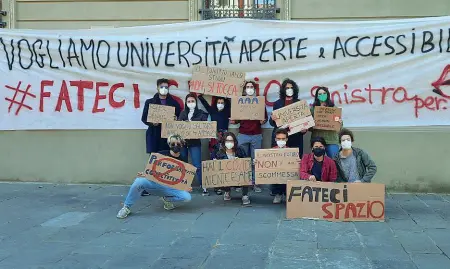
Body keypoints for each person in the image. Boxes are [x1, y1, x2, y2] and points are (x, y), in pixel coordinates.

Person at [116, 134, 191, 219]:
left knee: (187, 197)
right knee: (139, 181)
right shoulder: (160, 155)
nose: (175, 146)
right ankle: (126, 207)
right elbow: (150, 169)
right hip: (156, 184)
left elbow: (183, 178)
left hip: (170, 188)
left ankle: (167, 199)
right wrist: (145, 173)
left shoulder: (183, 159)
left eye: (178, 144)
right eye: (173, 144)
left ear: (182, 145)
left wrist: (186, 186)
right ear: (169, 145)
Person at [230, 81, 268, 193]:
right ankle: (242, 182)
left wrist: (263, 120)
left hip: (256, 135)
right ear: (245, 89)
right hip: (242, 134)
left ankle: (255, 183)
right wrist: (233, 121)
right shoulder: (239, 102)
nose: (250, 88)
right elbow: (236, 119)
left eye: (251, 87)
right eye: (248, 87)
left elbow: (264, 118)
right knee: (242, 160)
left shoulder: (260, 103)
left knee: (255, 160)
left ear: (254, 89)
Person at [178, 93, 209, 196]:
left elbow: (205, 125)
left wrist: (193, 124)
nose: (191, 103)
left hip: (195, 142)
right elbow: (177, 126)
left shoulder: (201, 113)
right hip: (183, 142)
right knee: (183, 164)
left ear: (196, 102)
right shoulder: (182, 113)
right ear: (186, 103)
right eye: (189, 101)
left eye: (192, 101)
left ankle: (203, 185)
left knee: (197, 165)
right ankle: (183, 186)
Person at [141, 78, 181, 154]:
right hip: (154, 135)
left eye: (166, 87)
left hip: (168, 136)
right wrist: (152, 123)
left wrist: (176, 119)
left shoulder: (174, 103)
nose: (164, 89)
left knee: (167, 160)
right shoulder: (150, 102)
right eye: (162, 87)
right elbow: (144, 118)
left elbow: (179, 118)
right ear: (157, 88)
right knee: (154, 161)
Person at [269, 78, 306, 156]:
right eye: (287, 88)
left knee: (295, 161)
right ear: (283, 90)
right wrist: (272, 119)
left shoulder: (300, 103)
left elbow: (304, 122)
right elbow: (272, 123)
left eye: (291, 88)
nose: (289, 90)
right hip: (281, 137)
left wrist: (304, 130)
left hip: (295, 137)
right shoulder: (277, 103)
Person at [214, 132, 251, 206]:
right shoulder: (220, 153)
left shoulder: (240, 150)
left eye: (231, 141)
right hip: (227, 177)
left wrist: (240, 161)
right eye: (227, 141)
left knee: (246, 174)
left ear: (234, 142)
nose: (229, 143)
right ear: (224, 142)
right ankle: (227, 191)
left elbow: (247, 163)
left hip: (239, 175)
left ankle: (245, 195)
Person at [309, 86, 343, 158]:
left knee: (334, 162)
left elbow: (339, 126)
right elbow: (309, 127)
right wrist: (312, 124)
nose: (322, 95)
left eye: (324, 93)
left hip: (331, 140)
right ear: (317, 96)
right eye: (320, 94)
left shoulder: (333, 108)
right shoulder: (312, 109)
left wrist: (339, 122)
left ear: (327, 95)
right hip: (317, 140)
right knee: (317, 162)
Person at [270, 128, 291, 204]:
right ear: (275, 139)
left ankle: (287, 194)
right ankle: (278, 194)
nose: (281, 141)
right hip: (276, 177)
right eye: (279, 139)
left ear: (286, 139)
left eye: (283, 139)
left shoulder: (292, 152)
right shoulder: (270, 151)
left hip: (287, 176)